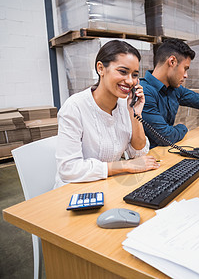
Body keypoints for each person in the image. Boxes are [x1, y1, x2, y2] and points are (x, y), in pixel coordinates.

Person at [54, 40, 160, 188]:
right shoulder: (74, 107)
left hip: (108, 185)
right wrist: (124, 166)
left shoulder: (125, 105)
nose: (130, 81)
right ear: (100, 68)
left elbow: (140, 154)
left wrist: (136, 114)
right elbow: (68, 169)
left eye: (134, 75)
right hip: (75, 189)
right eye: (123, 72)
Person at [140, 38, 199, 148]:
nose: (186, 75)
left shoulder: (173, 89)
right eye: (185, 68)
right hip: (148, 157)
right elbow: (165, 137)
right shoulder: (144, 92)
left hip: (165, 152)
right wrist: (182, 128)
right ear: (172, 62)